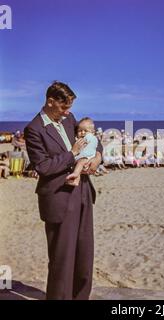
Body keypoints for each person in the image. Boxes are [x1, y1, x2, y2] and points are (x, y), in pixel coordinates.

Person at [24, 81, 103, 300]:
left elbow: (93, 141)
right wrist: (71, 153)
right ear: (50, 101)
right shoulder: (34, 129)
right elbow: (43, 167)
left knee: (84, 253)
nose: (68, 112)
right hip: (58, 197)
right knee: (62, 258)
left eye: (69, 107)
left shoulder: (69, 119)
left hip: (83, 192)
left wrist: (97, 157)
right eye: (63, 107)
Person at [65, 117, 98, 186]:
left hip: (88, 157)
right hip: (85, 156)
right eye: (80, 131)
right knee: (79, 166)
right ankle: (76, 179)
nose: (82, 133)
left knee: (80, 163)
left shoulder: (90, 137)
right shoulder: (88, 137)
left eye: (85, 131)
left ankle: (75, 176)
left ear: (92, 132)